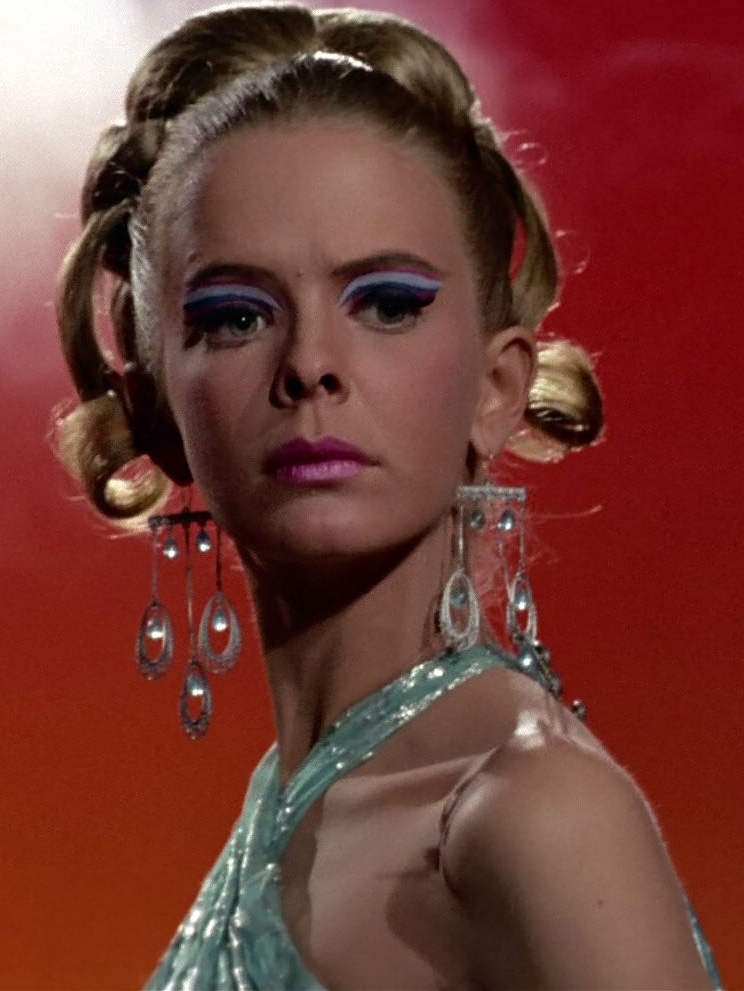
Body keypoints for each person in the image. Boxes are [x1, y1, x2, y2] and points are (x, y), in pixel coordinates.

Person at [55, 4, 721, 989]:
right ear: (154, 406)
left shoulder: (528, 812)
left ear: (495, 388)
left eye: (389, 304)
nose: (311, 365)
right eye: (236, 316)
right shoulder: (295, 799)